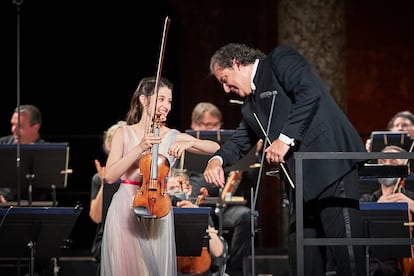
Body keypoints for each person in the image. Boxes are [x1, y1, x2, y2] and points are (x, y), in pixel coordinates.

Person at [203, 43, 367, 276]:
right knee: (303, 262)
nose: (226, 89)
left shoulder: (279, 60)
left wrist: (284, 139)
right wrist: (216, 160)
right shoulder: (249, 107)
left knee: (347, 256)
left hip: (330, 168)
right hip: (299, 186)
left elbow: (309, 92)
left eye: (224, 79)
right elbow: (240, 141)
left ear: (237, 64)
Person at [100, 76, 220, 276]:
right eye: (161, 99)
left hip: (158, 208)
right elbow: (110, 176)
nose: (167, 105)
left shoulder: (171, 134)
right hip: (125, 208)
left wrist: (190, 143)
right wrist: (139, 148)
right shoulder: (124, 133)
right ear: (144, 100)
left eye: (169, 101)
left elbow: (215, 147)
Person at [188, 102, 251, 276]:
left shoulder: (228, 145)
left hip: (223, 205)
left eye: (216, 126)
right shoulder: (186, 145)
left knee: (247, 216)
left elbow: (248, 173)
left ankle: (232, 269)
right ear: (195, 125)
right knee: (199, 207)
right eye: (208, 126)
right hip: (198, 205)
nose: (213, 130)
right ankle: (213, 267)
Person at [360, 145, 414, 276]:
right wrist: (378, 210)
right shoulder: (367, 200)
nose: (386, 166)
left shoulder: (412, 198)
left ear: (405, 170)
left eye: (393, 162)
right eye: (382, 162)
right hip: (374, 264)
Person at [167, 168, 226, 276]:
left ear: (189, 190)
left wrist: (198, 217)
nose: (177, 192)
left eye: (180, 188)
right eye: (171, 188)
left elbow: (218, 251)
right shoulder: (164, 216)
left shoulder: (201, 213)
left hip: (201, 271)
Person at [89, 120, 126, 276]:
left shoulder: (141, 176)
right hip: (108, 235)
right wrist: (105, 184)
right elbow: (96, 217)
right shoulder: (99, 179)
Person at [0, 104, 44, 202]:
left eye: (19, 126)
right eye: (12, 124)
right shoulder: (2, 144)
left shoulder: (48, 153)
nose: (13, 130)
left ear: (35, 128)